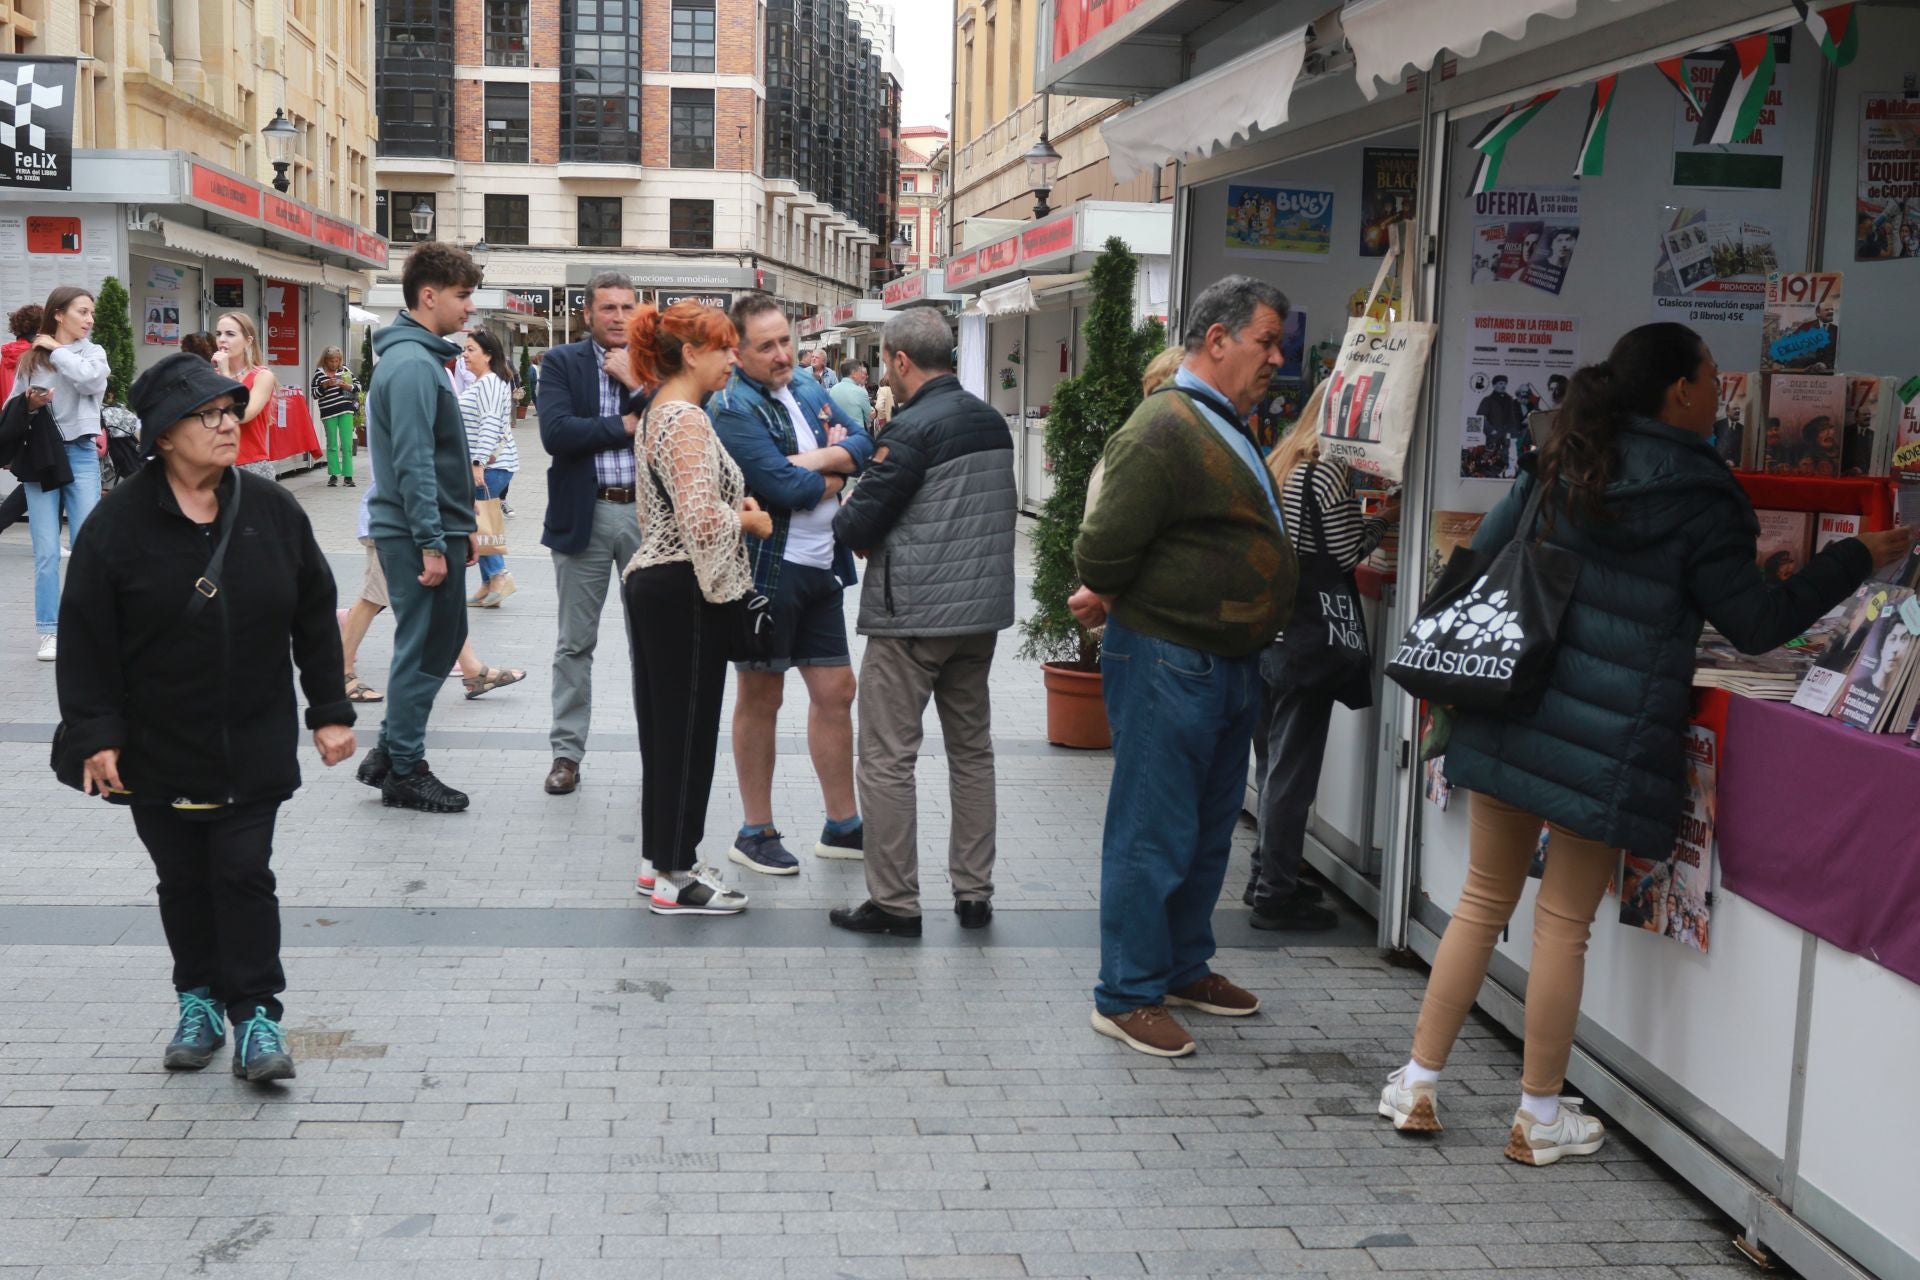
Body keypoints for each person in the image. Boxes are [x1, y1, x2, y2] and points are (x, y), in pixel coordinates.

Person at [1380, 321, 1911, 1164]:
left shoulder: (1566, 452)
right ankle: (1538, 1115)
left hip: (1514, 704)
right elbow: (1757, 622)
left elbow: (1481, 556)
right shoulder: (1704, 496)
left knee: (1481, 901)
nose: (1718, 393)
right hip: (1608, 739)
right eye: (1709, 379)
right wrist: (1854, 558)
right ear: (1680, 392)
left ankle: (1416, 1081)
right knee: (1562, 924)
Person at [54, 351, 357, 1083]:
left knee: (244, 871)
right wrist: (96, 735)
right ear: (163, 433)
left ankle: (256, 1014)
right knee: (183, 879)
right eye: (209, 416)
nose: (228, 426)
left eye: (230, 413)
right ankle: (197, 1000)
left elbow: (315, 612)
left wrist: (327, 709)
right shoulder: (117, 525)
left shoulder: (271, 509)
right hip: (156, 741)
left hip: (250, 734)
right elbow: (85, 634)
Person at [1069, 275, 1296, 1059]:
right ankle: (1126, 993)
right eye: (1266, 340)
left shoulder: (1217, 420)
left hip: (1220, 660)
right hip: (1170, 658)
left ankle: (1181, 968)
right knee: (1152, 829)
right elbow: (1099, 549)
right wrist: (1128, 592)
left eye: (1278, 341)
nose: (1278, 355)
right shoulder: (1162, 426)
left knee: (1203, 832)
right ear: (1217, 338)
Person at [826, 307, 1017, 937]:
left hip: (912, 618)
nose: (885, 372)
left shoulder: (910, 430)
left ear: (901, 362)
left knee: (886, 759)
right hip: (977, 618)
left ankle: (895, 902)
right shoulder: (991, 422)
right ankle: (974, 893)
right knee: (972, 753)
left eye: (885, 362)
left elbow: (858, 524)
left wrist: (849, 502)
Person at [710, 292, 876, 874]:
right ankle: (755, 830)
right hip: (766, 573)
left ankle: (843, 825)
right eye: (768, 346)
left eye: (787, 341)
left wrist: (813, 463)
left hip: (822, 566)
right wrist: (830, 471)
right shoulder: (731, 408)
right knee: (762, 695)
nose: (783, 355)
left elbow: (865, 443)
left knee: (837, 692)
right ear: (736, 350)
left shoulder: (806, 385)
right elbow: (784, 492)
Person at [624, 301, 772, 915]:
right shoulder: (683, 418)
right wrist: (751, 519)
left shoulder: (662, 412)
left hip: (660, 586)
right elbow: (701, 520)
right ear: (691, 353)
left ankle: (659, 860)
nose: (733, 359)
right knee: (686, 736)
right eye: (724, 348)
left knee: (665, 735)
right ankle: (676, 875)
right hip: (681, 588)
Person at [1244, 399, 1396, 931]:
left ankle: (1266, 870)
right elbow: (1345, 550)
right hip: (1308, 642)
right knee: (1292, 773)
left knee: (1271, 765)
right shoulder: (1327, 471)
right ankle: (1274, 893)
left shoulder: (1279, 460)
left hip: (1268, 631)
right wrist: (1382, 522)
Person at [355, 242, 483, 814]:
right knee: (423, 648)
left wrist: (461, 526)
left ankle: (389, 751)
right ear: (428, 296)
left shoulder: (420, 358)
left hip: (432, 530)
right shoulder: (410, 365)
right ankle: (405, 768)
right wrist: (434, 540)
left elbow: (438, 460)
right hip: (413, 534)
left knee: (435, 641)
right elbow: (413, 463)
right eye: (462, 296)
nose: (470, 308)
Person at [535, 271, 645, 796]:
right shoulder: (560, 363)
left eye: (627, 307)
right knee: (574, 644)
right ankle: (566, 754)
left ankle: (660, 747)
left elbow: (681, 417)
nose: (619, 317)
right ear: (588, 314)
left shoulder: (656, 364)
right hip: (586, 516)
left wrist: (636, 385)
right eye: (608, 308)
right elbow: (557, 435)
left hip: (649, 520)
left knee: (652, 644)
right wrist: (625, 426)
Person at [342, 477, 524, 705]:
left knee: (440, 597)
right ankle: (342, 671)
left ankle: (472, 670)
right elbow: (414, 467)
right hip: (398, 522)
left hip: (418, 519)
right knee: (374, 597)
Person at [7, 286, 109, 661]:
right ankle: (49, 631)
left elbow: (91, 383)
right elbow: (11, 408)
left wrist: (58, 349)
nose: (89, 319)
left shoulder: (92, 353)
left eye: (91, 313)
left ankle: (87, 628)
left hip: (81, 453)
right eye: (82, 312)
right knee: (47, 551)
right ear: (59, 315)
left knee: (86, 547)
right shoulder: (32, 360)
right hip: (41, 457)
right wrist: (30, 406)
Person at [458, 328, 519, 607]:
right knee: (482, 521)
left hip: (490, 466)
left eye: (471, 349)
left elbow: (491, 423)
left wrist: (478, 462)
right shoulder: (482, 382)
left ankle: (499, 575)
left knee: (481, 521)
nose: (465, 354)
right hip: (486, 466)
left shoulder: (491, 383)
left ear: (488, 355)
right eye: (465, 349)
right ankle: (488, 583)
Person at [211, 313, 279, 483]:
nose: (222, 340)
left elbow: (240, 415)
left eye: (230, 334)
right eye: (218, 334)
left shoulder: (262, 376)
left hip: (251, 465)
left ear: (248, 341)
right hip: (214, 465)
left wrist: (225, 373)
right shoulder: (209, 376)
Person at [310, 345, 358, 488]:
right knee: (331, 444)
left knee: (347, 444)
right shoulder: (319, 374)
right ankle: (333, 475)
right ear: (325, 360)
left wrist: (347, 386)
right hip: (328, 412)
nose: (334, 364)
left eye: (337, 361)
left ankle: (348, 476)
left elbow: (358, 387)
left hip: (346, 411)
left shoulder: (345, 371)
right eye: (331, 361)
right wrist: (324, 385)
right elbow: (314, 394)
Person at [0, 303, 41, 405]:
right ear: (40, 329)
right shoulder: (37, 354)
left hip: (6, 414)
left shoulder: (7, 353)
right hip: (28, 416)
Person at [827, 359, 874, 431]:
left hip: (837, 433)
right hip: (856, 434)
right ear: (854, 373)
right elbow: (869, 417)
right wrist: (873, 411)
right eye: (860, 372)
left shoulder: (833, 389)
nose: (862, 375)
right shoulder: (861, 392)